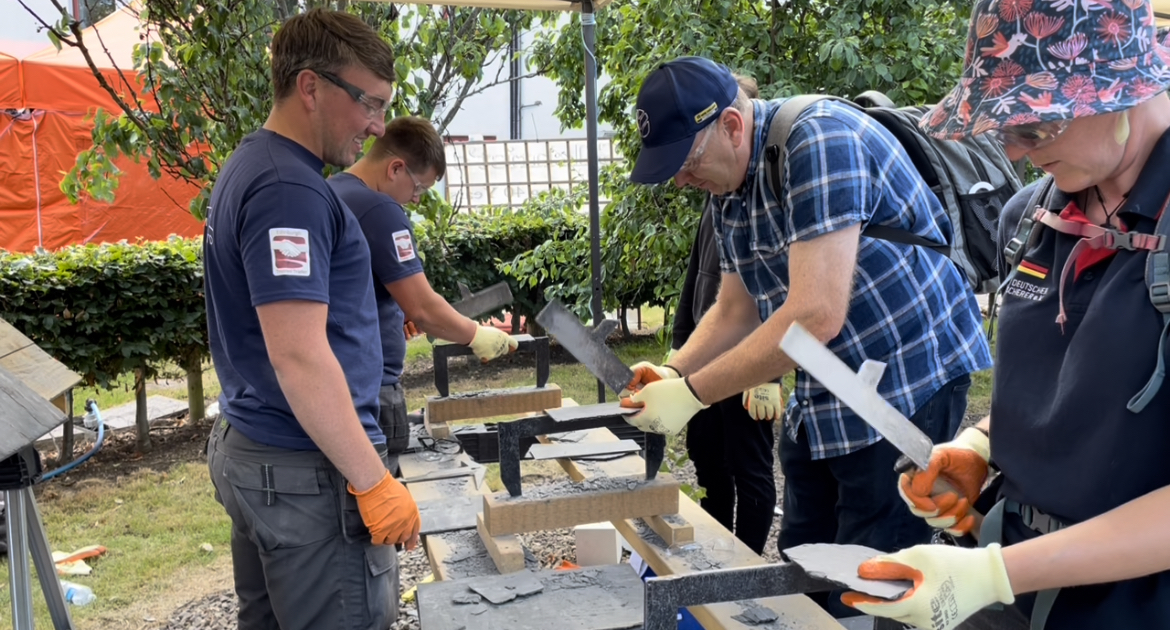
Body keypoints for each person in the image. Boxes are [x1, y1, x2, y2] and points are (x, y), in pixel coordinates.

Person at [622, 55, 993, 616]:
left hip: (909, 377)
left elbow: (816, 314)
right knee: (802, 559)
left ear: (730, 124)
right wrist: (675, 372)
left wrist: (695, 395)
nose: (681, 178)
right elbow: (733, 309)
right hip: (831, 385)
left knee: (868, 577)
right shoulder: (728, 187)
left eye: (687, 160)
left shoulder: (819, 140)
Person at [844, 2, 1170, 629]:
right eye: (1005, 130)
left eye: (1035, 129)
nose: (1018, 154)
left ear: (1121, 89)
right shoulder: (1032, 218)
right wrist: (981, 446)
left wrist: (994, 575)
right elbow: (1076, 387)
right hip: (1021, 574)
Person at [202, 9, 419, 630]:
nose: (377, 128)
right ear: (310, 87)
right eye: (369, 104)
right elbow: (296, 353)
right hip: (307, 471)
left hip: (264, 452)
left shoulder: (256, 163)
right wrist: (373, 480)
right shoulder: (286, 190)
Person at [328, 116, 517, 475]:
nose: (415, 199)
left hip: (339, 388)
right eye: (419, 188)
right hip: (370, 393)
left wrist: (387, 317)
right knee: (381, 514)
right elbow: (424, 308)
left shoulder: (333, 190)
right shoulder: (381, 209)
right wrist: (475, 334)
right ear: (396, 168)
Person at [669, 72, 780, 556]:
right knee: (708, 460)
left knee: (751, 471)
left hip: (751, 365)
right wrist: (677, 354)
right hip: (706, 355)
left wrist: (769, 377)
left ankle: (748, 561)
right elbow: (697, 281)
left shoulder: (769, 193)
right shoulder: (718, 199)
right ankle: (714, 554)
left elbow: (785, 298)